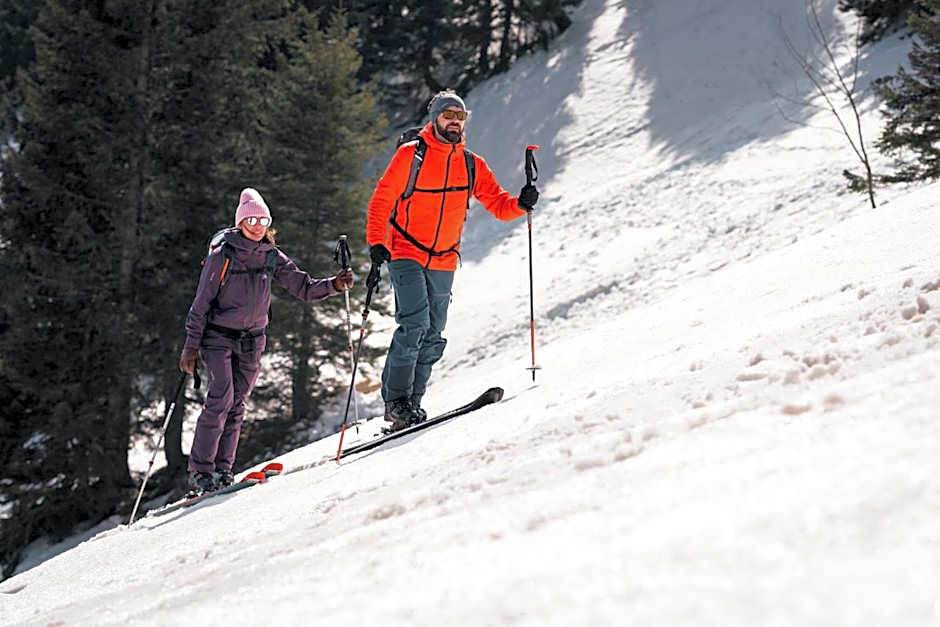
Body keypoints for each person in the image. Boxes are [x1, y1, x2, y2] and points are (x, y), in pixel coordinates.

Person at [366, 90, 539, 431]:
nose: (454, 122)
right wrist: (376, 242)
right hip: (405, 250)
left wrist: (522, 202)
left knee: (433, 334)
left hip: (445, 258)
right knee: (413, 323)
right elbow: (381, 201)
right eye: (448, 115)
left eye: (460, 117)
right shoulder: (410, 156)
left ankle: (412, 404)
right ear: (435, 119)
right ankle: (396, 402)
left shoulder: (472, 164)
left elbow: (499, 204)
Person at [179, 188, 353, 494]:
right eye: (251, 219)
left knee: (237, 404)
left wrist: (335, 285)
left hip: (253, 341)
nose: (257, 225)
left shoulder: (271, 255)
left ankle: (222, 470)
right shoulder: (223, 255)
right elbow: (201, 303)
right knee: (220, 399)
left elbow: (303, 287)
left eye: (263, 219)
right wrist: (191, 345)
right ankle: (200, 472)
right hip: (218, 338)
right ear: (240, 222)